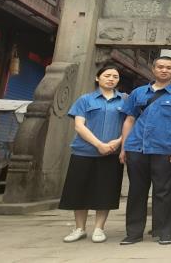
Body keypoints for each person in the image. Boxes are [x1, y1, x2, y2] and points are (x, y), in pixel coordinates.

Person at [119, 56, 171, 245]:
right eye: (160, 67)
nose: (164, 70)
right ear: (153, 69)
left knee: (164, 191)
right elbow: (129, 120)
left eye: (169, 67)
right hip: (137, 147)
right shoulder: (138, 93)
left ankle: (163, 231)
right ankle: (134, 232)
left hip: (165, 148)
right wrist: (124, 147)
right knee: (137, 191)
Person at [59, 65, 126, 243]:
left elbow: (129, 124)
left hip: (111, 152)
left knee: (105, 191)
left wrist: (118, 141)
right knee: (79, 190)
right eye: (107, 75)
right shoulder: (85, 100)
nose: (111, 79)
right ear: (98, 78)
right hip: (84, 151)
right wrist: (98, 144)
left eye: (115, 76)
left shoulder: (124, 100)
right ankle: (79, 228)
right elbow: (79, 126)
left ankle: (99, 228)